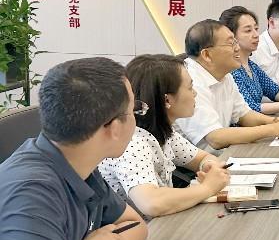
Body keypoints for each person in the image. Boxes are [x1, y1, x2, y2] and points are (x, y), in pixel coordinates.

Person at [0, 58, 149, 240]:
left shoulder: (76, 162)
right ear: (113, 127)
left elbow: (135, 225)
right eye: (134, 110)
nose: (137, 119)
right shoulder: (31, 190)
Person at [98, 55, 232, 217]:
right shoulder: (133, 143)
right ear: (167, 99)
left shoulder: (163, 132)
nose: (195, 93)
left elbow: (202, 158)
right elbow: (151, 203)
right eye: (190, 88)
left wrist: (208, 166)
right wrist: (207, 188)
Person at [175, 19, 279, 151]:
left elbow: (243, 115)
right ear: (207, 55)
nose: (237, 48)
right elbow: (215, 138)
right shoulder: (190, 81)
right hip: (199, 162)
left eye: (235, 42)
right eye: (231, 43)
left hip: (221, 154)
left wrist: (276, 122)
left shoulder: (225, 75)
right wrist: (273, 129)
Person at [219, 6, 279, 115]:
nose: (256, 35)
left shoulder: (252, 66)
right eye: (248, 31)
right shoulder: (231, 69)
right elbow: (249, 108)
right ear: (231, 36)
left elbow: (277, 90)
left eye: (256, 29)